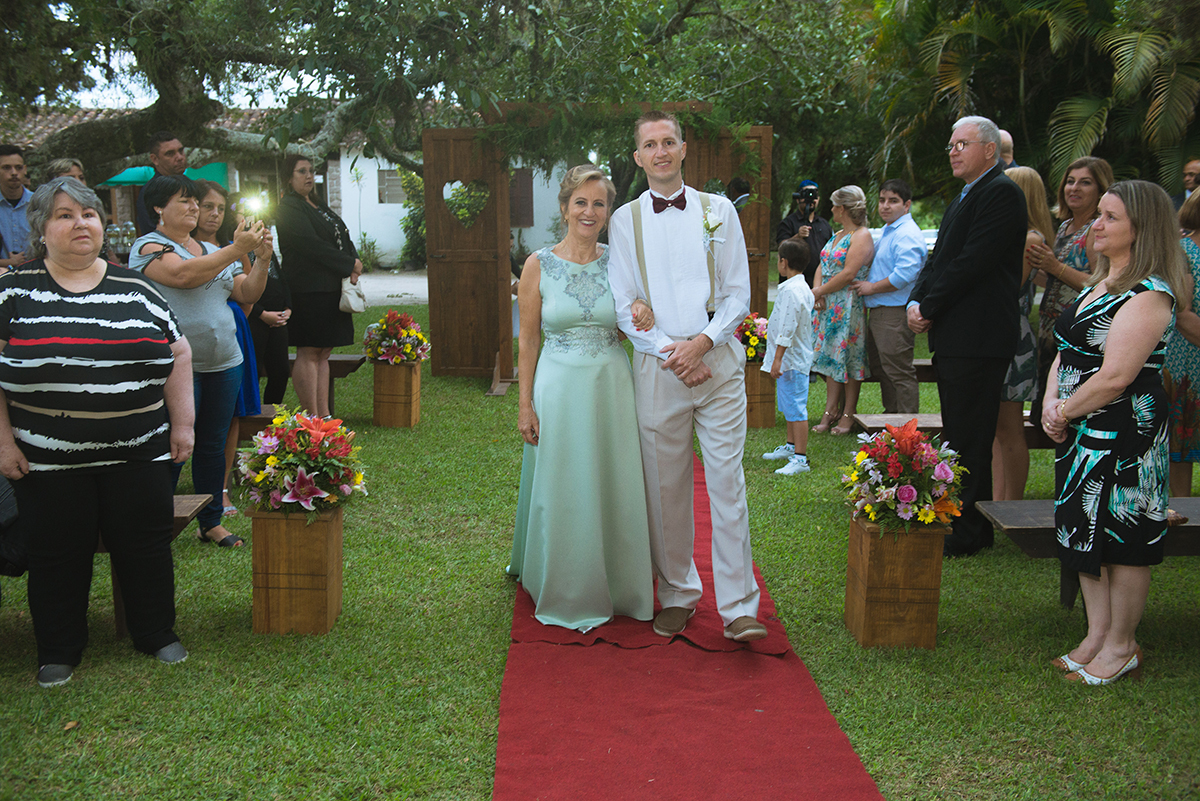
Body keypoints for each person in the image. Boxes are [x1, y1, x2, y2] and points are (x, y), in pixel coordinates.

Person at [0, 177, 194, 687]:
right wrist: (1, 442)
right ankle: (59, 649)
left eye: (87, 214)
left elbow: (177, 352)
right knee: (56, 553)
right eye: (64, 215)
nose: (79, 223)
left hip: (141, 451)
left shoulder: (138, 287)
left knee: (146, 546)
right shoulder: (12, 293)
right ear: (41, 228)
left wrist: (185, 424)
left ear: (102, 224)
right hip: (45, 460)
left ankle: (156, 633)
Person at [608, 110, 767, 642]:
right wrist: (671, 352)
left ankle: (740, 606)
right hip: (658, 370)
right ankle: (677, 592)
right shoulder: (624, 220)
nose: (659, 151)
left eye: (668, 141)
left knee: (727, 484)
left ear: (682, 149)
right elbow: (623, 301)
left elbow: (738, 295)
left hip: (717, 367)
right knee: (665, 489)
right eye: (649, 144)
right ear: (638, 157)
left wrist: (702, 343)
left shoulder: (718, 210)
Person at [1042, 180, 1188, 685]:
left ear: (1141, 230)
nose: (1096, 224)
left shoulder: (1150, 295)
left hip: (1126, 427)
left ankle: (1122, 645)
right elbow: (1067, 350)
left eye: (1109, 217)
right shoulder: (1100, 283)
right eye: (1099, 214)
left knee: (1122, 534)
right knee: (1084, 528)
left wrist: (1063, 411)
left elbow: (1116, 376)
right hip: (1083, 425)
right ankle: (1095, 636)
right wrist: (1049, 403)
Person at [507, 165, 656, 631]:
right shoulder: (538, 265)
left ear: (608, 211)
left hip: (611, 385)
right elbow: (528, 341)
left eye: (599, 203)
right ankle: (565, 581)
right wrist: (525, 403)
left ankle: (620, 580)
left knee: (613, 477)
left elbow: (637, 321)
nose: (589, 212)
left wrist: (644, 310)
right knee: (564, 481)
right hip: (559, 387)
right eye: (581, 202)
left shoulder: (621, 261)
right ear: (565, 207)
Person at [907, 115, 1027, 557]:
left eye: (962, 144)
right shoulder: (967, 193)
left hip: (979, 337)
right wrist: (915, 302)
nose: (954, 151)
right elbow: (939, 258)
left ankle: (969, 532)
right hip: (957, 338)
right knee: (959, 434)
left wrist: (930, 306)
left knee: (972, 439)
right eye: (951, 145)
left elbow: (972, 263)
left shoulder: (1001, 193)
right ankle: (960, 521)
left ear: (990, 150)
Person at [129, 175, 269, 548]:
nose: (194, 208)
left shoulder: (209, 246)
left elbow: (246, 293)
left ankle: (211, 521)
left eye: (196, 202)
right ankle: (156, 522)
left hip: (226, 361)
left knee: (212, 445)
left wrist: (262, 259)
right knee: (174, 446)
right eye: (185, 201)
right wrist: (235, 247)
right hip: (177, 370)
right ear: (159, 208)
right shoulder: (148, 247)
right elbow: (183, 275)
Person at [191, 181, 265, 517]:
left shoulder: (229, 247)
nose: (214, 215)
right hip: (192, 348)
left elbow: (247, 296)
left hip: (233, 335)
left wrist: (255, 255)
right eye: (208, 207)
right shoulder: (174, 250)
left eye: (220, 208)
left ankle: (220, 490)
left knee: (231, 415)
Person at [1027, 156, 1113, 425]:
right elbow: (1053, 280)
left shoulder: (1095, 229)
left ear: (1101, 190)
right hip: (1049, 330)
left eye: (1085, 183)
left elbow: (1102, 283)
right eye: (1070, 182)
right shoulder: (1065, 226)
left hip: (1078, 335)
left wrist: (1054, 266)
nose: (1074, 188)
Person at [275, 154, 362, 418]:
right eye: (301, 171)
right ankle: (310, 416)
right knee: (310, 350)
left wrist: (354, 258)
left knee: (324, 352)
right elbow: (311, 246)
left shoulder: (317, 204)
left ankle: (324, 416)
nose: (309, 176)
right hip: (307, 289)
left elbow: (341, 234)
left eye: (311, 171)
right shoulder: (288, 207)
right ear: (289, 178)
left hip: (329, 287)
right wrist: (348, 265)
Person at [992, 166, 1057, 501]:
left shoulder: (1030, 239)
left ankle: (1011, 502)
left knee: (1010, 429)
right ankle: (996, 499)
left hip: (1012, 337)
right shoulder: (1015, 235)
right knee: (995, 430)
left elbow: (1007, 286)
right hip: (997, 332)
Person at [853, 178, 926, 414]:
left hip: (894, 312)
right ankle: (892, 418)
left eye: (893, 201)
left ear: (907, 206)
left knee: (898, 372)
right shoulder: (890, 230)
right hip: (881, 311)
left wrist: (871, 288)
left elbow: (905, 274)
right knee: (883, 369)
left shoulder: (906, 234)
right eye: (882, 200)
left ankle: (907, 427)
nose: (885, 206)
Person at [811, 185, 874, 436]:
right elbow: (822, 264)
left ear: (844, 208)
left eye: (835, 205)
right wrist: (818, 291)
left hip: (847, 305)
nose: (832, 209)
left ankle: (848, 412)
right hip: (828, 303)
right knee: (831, 358)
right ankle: (830, 410)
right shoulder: (837, 233)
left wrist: (820, 292)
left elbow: (848, 273)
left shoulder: (861, 235)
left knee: (849, 357)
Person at [761, 238, 815, 475]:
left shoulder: (793, 291)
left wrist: (777, 358)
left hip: (791, 360)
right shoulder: (799, 287)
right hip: (790, 360)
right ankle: (791, 447)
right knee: (789, 406)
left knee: (796, 408)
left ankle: (801, 459)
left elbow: (788, 327)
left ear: (783, 262)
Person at [1163, 191, 1200, 495]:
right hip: (1187, 359)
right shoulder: (1182, 252)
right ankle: (1183, 510)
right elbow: (1182, 312)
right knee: (1181, 443)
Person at [775, 179, 833, 287]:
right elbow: (782, 247)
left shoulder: (824, 224)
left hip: (818, 283)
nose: (811, 199)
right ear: (798, 199)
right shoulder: (788, 223)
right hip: (793, 284)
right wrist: (797, 236)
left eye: (814, 195)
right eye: (806, 195)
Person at [136, 132, 188, 235]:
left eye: (181, 151)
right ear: (155, 159)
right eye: (170, 154)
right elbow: (152, 231)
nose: (179, 157)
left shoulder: (191, 185)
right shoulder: (151, 192)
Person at [0, 145, 32, 271]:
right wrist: (9, 262)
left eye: (18, 168)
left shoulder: (39, 203)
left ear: (25, 169)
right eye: (6, 168)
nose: (14, 173)